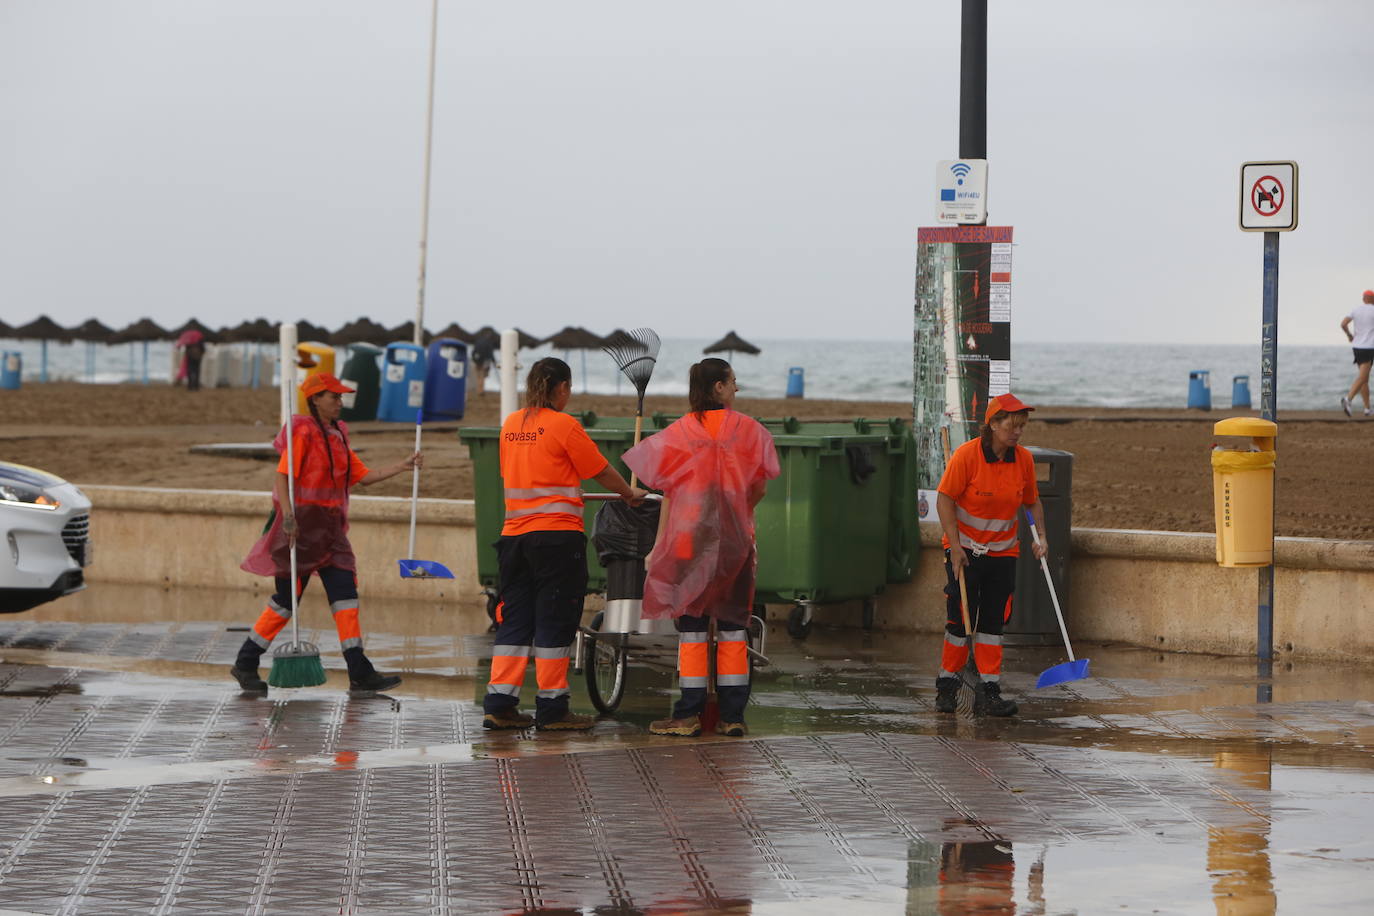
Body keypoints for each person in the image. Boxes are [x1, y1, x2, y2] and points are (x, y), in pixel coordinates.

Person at [484, 357, 645, 731]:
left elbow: (513, 473)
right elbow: (599, 469)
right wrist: (628, 492)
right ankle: (552, 709)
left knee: (515, 620)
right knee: (555, 619)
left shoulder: (511, 425)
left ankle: (499, 703)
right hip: (556, 538)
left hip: (514, 538)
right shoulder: (563, 425)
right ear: (562, 388)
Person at [231, 373, 417, 693]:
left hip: (331, 530)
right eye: (334, 396)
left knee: (345, 595)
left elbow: (364, 477)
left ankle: (359, 670)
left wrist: (403, 466)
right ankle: (246, 663)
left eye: (341, 397)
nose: (340, 402)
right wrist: (289, 518)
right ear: (316, 399)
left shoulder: (339, 433)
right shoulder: (302, 431)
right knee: (286, 602)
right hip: (300, 527)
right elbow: (282, 478)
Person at [623, 358, 780, 738]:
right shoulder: (751, 432)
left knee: (691, 629)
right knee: (732, 627)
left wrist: (660, 545)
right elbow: (759, 486)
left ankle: (688, 713)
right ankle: (732, 716)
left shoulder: (679, 432)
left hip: (688, 540)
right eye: (733, 382)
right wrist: (739, 512)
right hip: (734, 541)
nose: (737, 388)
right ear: (719, 388)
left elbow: (668, 491)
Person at [934, 393, 1046, 717]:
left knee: (993, 623)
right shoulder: (967, 456)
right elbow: (944, 500)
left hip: (1003, 552)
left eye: (1021, 427)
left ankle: (989, 691)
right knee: (960, 619)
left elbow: (1032, 502)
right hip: (965, 551)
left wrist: (1042, 538)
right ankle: (946, 688)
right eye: (1012, 426)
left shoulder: (1022, 459)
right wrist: (955, 547)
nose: (1017, 433)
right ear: (993, 424)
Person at [1339, 290, 1374, 417]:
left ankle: (1367, 408)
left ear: (1364, 298)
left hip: (1357, 347)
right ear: (1372, 298)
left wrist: (1349, 335)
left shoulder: (1356, 310)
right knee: (1363, 377)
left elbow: (1343, 324)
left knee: (1364, 378)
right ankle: (1348, 399)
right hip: (1369, 347)